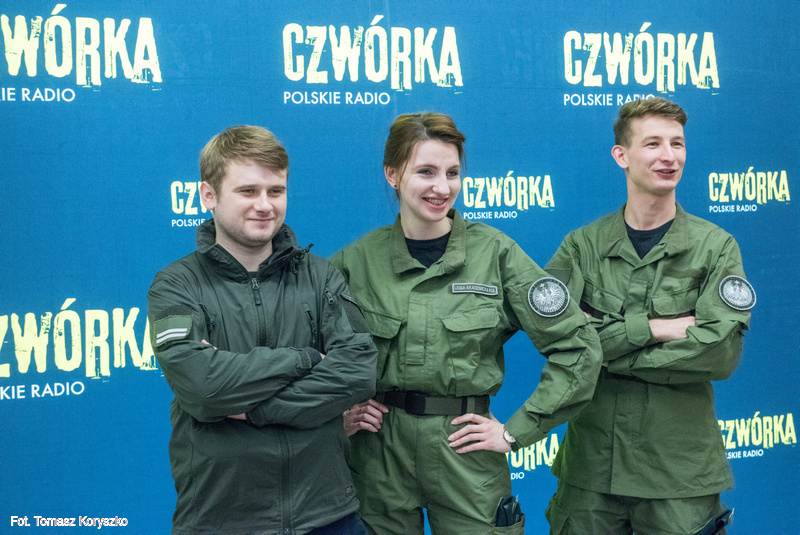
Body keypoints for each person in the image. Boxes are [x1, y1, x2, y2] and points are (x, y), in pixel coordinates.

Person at [332, 112, 603, 534]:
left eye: (452, 172)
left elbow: (579, 347)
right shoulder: (356, 262)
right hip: (378, 455)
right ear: (393, 174)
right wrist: (338, 415)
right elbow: (305, 354)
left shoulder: (495, 254)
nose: (442, 187)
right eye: (426, 171)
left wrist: (515, 432)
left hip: (466, 453)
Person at [147, 125, 378, 534]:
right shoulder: (176, 285)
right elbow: (203, 387)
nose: (265, 205)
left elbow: (358, 371)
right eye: (248, 191)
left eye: (276, 191)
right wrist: (304, 359)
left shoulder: (322, 276)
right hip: (222, 519)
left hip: (328, 514)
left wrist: (253, 408)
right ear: (208, 195)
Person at [544, 98, 754, 534]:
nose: (669, 156)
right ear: (621, 155)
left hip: (679, 473)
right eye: (653, 143)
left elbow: (720, 354)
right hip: (591, 470)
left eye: (677, 143)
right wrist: (656, 328)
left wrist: (607, 354)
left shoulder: (716, 248)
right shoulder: (581, 246)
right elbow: (556, 339)